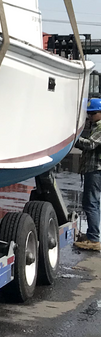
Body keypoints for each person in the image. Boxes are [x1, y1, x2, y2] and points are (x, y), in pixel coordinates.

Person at [74, 97, 101, 252]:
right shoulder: (95, 126)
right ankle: (92, 235)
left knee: (91, 203)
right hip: (93, 170)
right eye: (88, 114)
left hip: (96, 170)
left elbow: (90, 145)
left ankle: (93, 238)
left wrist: (74, 139)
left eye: (93, 113)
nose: (90, 116)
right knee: (91, 202)